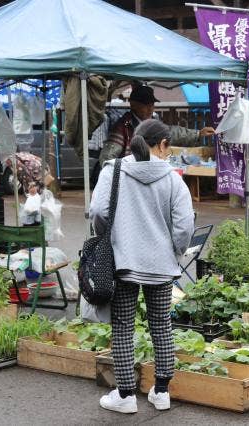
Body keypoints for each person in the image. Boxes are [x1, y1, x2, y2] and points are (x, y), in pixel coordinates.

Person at [90, 119, 194, 413]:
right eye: (168, 146)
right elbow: (184, 226)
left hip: (123, 262)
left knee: (122, 326)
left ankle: (124, 396)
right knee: (161, 325)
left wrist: (109, 237)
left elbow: (98, 211)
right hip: (161, 265)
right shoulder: (173, 178)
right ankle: (161, 392)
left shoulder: (114, 170)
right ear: (161, 144)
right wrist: (175, 251)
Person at [98, 85, 215, 166]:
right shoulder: (123, 126)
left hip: (153, 170)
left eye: (152, 104)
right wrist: (119, 176)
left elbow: (172, 133)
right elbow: (108, 157)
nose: (150, 108)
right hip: (131, 173)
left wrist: (198, 133)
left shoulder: (154, 123)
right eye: (146, 105)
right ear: (133, 105)